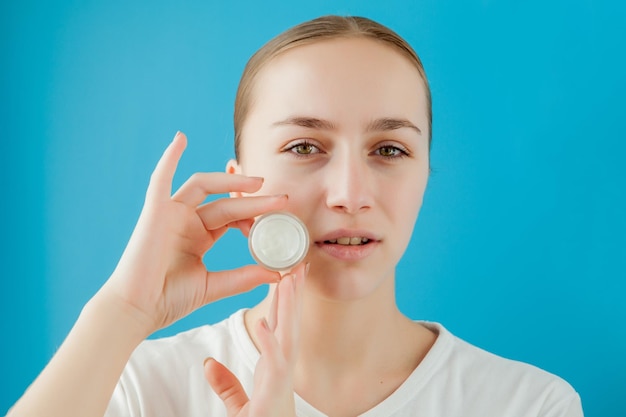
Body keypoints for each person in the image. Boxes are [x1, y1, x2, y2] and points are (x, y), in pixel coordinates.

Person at [7, 15, 583, 417]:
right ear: (239, 178)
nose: (350, 194)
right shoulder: (137, 387)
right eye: (305, 148)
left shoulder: (528, 405)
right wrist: (121, 313)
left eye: (390, 150)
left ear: (425, 175)